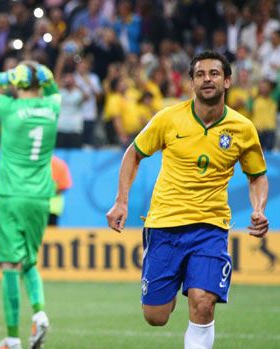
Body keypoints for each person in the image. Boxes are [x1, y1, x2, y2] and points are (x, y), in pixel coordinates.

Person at [106, 51, 269, 349]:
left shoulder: (243, 129)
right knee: (156, 316)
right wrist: (121, 201)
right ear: (191, 83)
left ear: (228, 81)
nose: (207, 79)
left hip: (210, 227)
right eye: (200, 74)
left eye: (214, 73)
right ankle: (171, 283)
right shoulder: (169, 118)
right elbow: (134, 153)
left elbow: (257, 175)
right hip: (164, 225)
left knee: (203, 303)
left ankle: (196, 286)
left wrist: (257, 209)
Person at [0, 61, 60, 349]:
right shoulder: (52, 107)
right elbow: (54, 90)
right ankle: (40, 313)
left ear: (17, 83)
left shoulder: (9, 107)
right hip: (41, 197)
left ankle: (12, 339)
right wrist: (49, 77)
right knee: (30, 261)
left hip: (11, 196)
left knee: (9, 264)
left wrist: (5, 77)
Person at [48, 155, 72, 226]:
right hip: (53, 208)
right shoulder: (59, 163)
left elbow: (64, 186)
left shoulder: (33, 163)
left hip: (51, 208)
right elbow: (64, 185)